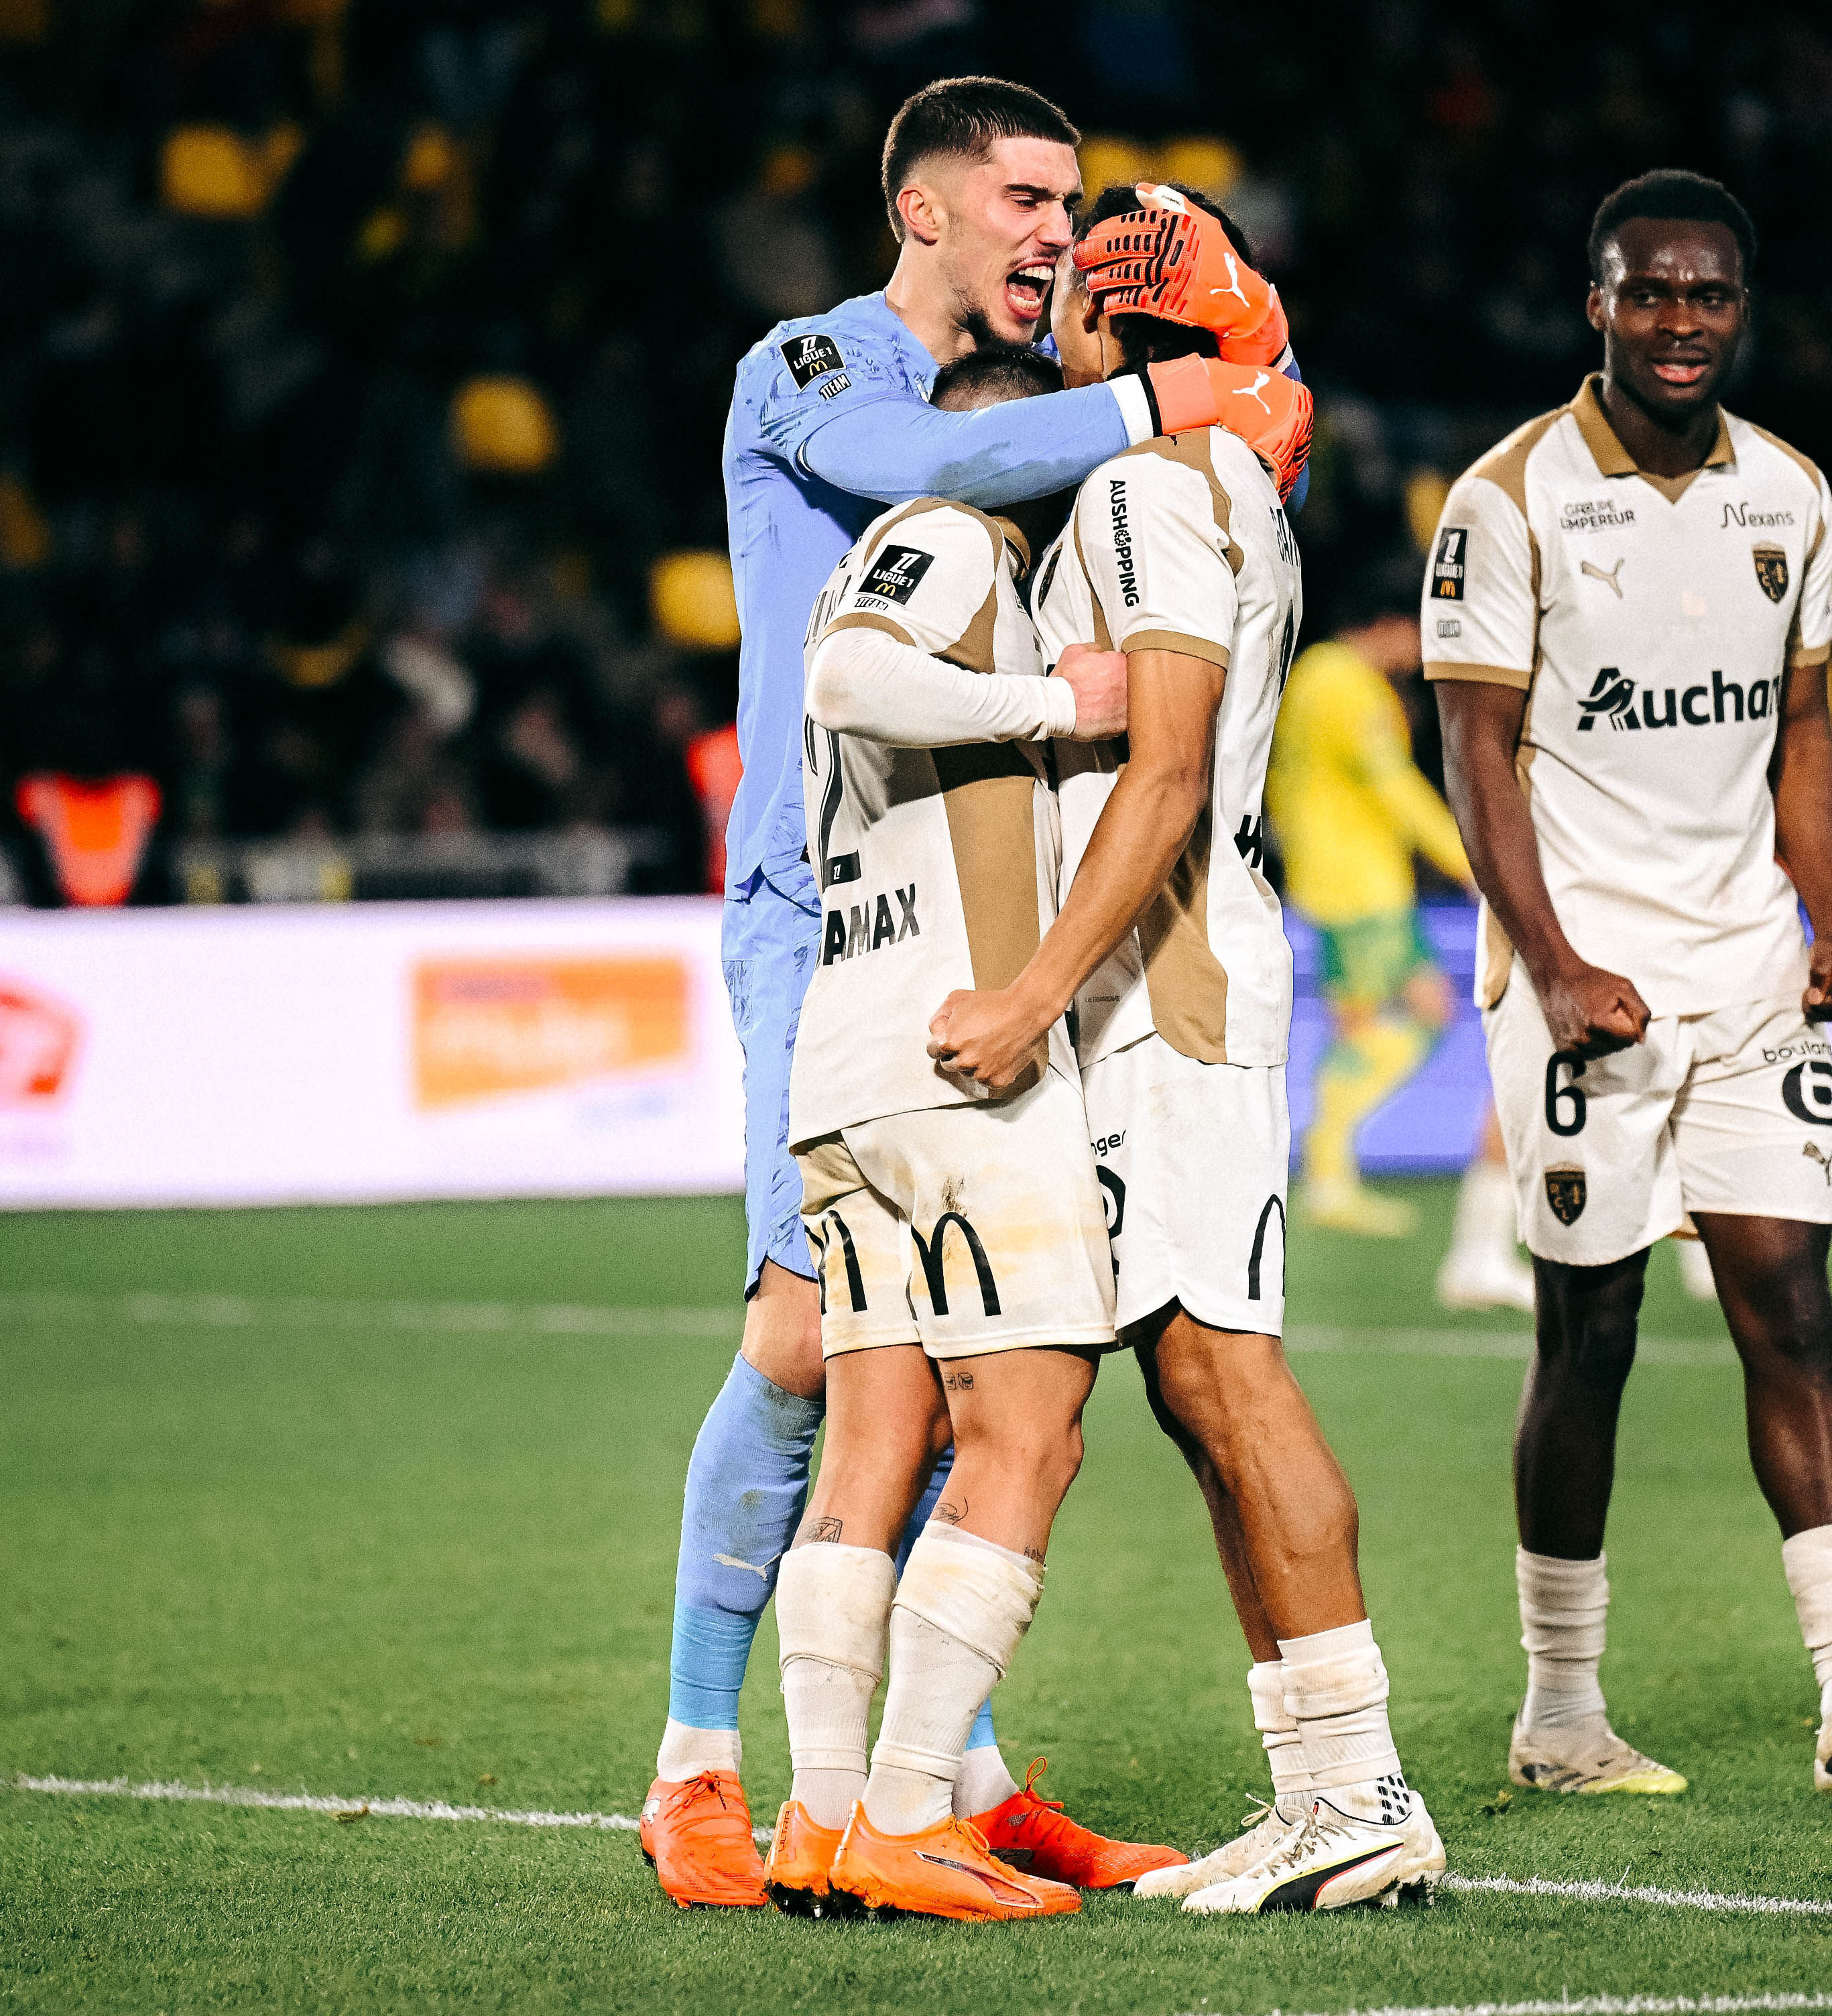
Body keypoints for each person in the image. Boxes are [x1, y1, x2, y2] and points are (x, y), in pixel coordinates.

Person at [646, 73, 1313, 1911]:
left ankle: (954, 1773)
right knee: (809, 1333)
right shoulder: (813, 368)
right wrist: (1173, 393)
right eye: (1025, 195)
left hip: (983, 918)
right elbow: (909, 480)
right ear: (921, 205)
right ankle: (697, 1762)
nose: (1055, 228)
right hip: (826, 904)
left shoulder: (1033, 425)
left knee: (976, 1354)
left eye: (1074, 197)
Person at [926, 181, 1443, 1915]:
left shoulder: (1148, 487)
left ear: (1124, 318)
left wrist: (1029, 991)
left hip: (1174, 981)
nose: (1057, 328)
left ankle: (1361, 1785)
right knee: (1195, 1375)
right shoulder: (1207, 483)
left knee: (1227, 1368)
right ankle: (1319, 1788)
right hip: (1174, 970)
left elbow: (1160, 768)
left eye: (1079, 300)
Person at [1428, 170, 1832, 1805]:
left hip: (1744, 972)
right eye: (1647, 292)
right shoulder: (1507, 497)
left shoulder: (1788, 495)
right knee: (1587, 1329)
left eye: (1707, 296)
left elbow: (1800, 727)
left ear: (1742, 309)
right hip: (1584, 976)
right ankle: (1559, 1712)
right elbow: (1472, 748)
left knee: (1789, 1306)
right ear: (1592, 302)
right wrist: (1555, 958)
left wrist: (1827, 922)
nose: (1678, 322)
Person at [753, 345, 1172, 1922]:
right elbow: (848, 677)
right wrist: (1049, 698)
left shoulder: (900, 560)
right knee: (1028, 1428)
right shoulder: (945, 535)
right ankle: (916, 1813)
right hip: (959, 1060)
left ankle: (822, 1809)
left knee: (877, 1438)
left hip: (851, 1065)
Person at [1266, 586, 1540, 1310]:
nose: (1423, 650)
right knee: (1422, 1011)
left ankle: (1331, 1175)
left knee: (1372, 1021)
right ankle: (1326, 1169)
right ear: (1386, 624)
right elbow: (1395, 788)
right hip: (1361, 886)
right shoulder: (1345, 688)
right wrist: (1466, 858)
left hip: (1331, 877)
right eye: (1417, 631)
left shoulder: (1310, 678)